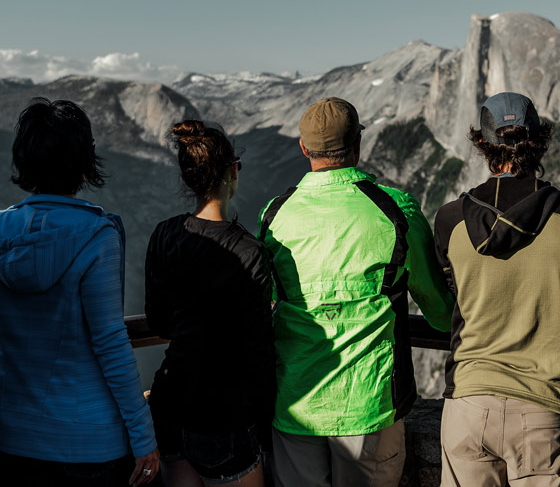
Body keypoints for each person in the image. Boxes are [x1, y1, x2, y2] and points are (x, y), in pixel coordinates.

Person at [258, 97, 454, 487]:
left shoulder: (274, 215)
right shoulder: (396, 211)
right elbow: (438, 310)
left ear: (303, 148)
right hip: (369, 405)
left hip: (295, 402)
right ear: (358, 145)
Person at [434, 92, 560, 486]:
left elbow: (453, 301)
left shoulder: (450, 221)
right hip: (542, 408)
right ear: (540, 140)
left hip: (468, 403)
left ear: (482, 143)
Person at [0, 98, 159, 486]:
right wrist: (143, 437)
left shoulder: (3, 229)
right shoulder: (95, 235)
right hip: (89, 443)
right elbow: (110, 342)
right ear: (83, 160)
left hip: (13, 437)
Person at [145, 121, 274, 487]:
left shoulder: (166, 235)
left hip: (170, 404)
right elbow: (258, 353)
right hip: (223, 413)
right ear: (233, 172)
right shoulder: (249, 252)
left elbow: (158, 322)